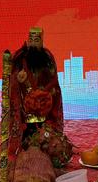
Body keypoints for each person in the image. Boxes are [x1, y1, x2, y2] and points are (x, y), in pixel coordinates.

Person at [9, 27, 71, 166]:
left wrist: (46, 93)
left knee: (45, 137)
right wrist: (18, 79)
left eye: (36, 40)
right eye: (31, 39)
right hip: (26, 106)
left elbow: (53, 81)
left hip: (44, 105)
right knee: (27, 137)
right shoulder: (20, 59)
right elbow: (12, 80)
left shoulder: (47, 59)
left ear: (42, 41)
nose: (33, 43)